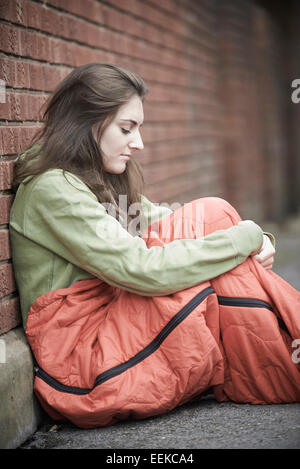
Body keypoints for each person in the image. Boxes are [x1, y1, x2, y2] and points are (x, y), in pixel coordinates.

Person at [10, 63, 299, 429]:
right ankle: (281, 360)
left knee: (214, 215)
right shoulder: (52, 190)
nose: (139, 143)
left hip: (117, 331)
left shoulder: (95, 179)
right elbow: (142, 270)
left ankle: (278, 360)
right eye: (126, 128)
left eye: (139, 128)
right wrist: (245, 238)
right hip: (84, 366)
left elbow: (180, 223)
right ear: (85, 123)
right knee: (216, 227)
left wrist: (254, 239)